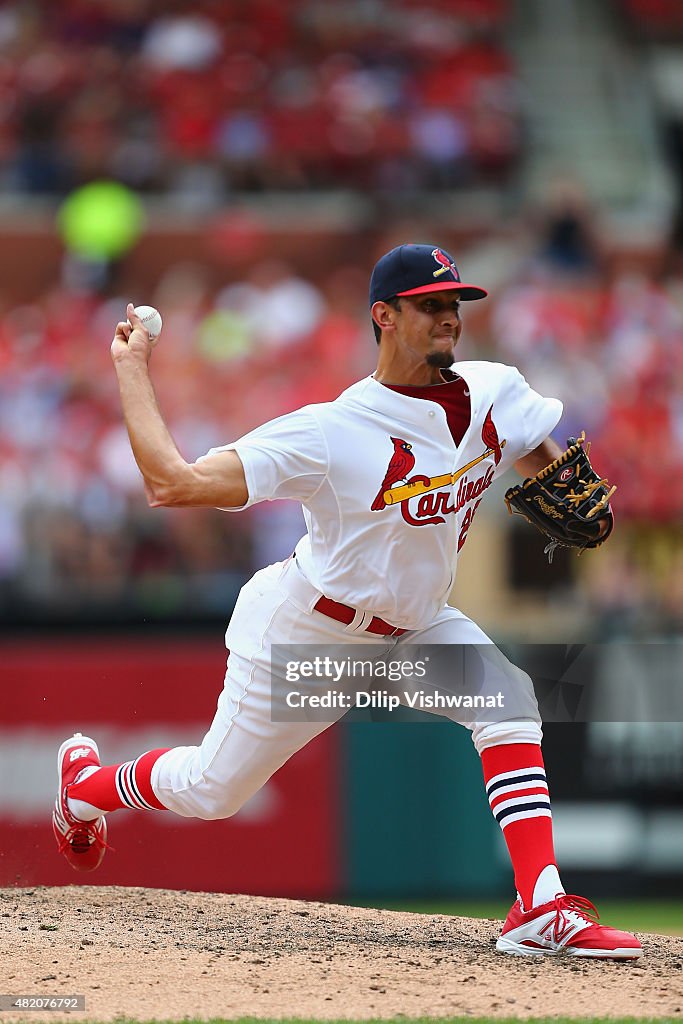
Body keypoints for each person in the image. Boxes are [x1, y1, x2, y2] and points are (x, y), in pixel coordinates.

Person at [52, 243, 642, 960]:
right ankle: (88, 783)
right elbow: (172, 483)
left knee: (509, 701)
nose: (447, 318)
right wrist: (131, 367)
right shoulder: (329, 431)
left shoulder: (494, 390)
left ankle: (538, 904)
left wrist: (554, 477)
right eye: (429, 306)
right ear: (383, 317)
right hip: (313, 633)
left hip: (418, 628)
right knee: (213, 789)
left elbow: (530, 441)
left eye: (453, 304)